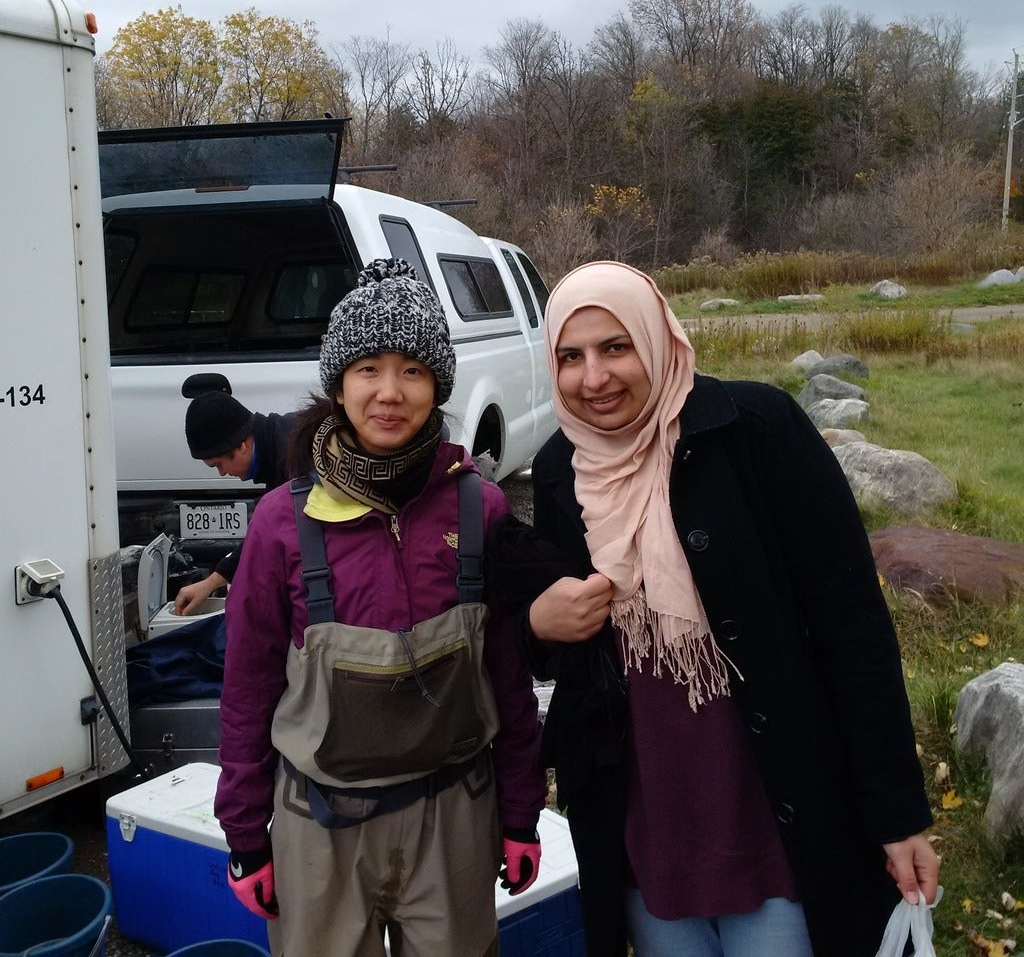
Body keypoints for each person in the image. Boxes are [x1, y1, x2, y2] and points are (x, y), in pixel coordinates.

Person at [494, 261, 939, 957]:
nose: (594, 378)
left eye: (616, 347)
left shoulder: (757, 431)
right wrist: (534, 628)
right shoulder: (560, 471)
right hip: (651, 830)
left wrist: (898, 813)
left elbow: (853, 630)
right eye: (570, 357)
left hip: (772, 815)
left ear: (657, 338)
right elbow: (570, 663)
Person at [214, 258, 546, 957]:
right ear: (338, 385)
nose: (389, 393)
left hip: (454, 817)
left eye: (413, 371)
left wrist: (521, 814)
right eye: (368, 369)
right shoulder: (280, 523)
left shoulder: (481, 509)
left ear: (437, 387)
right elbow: (247, 690)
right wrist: (245, 836)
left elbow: (509, 679)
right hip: (319, 824)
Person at [174, 392, 294, 615]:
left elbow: (267, 537)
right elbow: (261, 536)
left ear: (242, 446)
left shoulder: (293, 458)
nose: (221, 473)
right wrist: (210, 583)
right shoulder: (278, 444)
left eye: (218, 464)